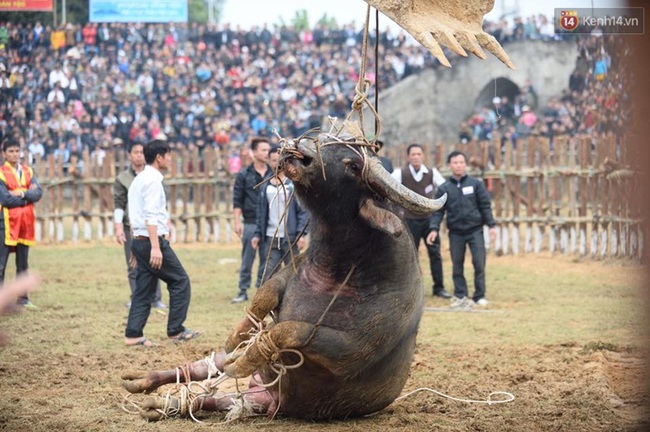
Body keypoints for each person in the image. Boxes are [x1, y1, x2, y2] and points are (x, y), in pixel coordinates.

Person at [125, 134, 199, 347]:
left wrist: (134, 247)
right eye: (168, 156)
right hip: (151, 241)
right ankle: (176, 331)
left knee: (144, 289)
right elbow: (149, 215)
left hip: (139, 240)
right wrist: (156, 247)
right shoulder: (153, 181)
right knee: (180, 280)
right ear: (159, 157)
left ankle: (133, 334)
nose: (170, 160)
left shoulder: (138, 179)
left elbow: (133, 215)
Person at [426, 151, 496, 308]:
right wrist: (434, 229)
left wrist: (491, 225)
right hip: (456, 233)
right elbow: (438, 211)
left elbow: (485, 206)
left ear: (465, 165)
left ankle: (479, 295)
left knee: (479, 263)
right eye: (455, 163)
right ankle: (460, 294)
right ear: (450, 165)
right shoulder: (445, 188)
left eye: (461, 162)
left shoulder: (475, 184)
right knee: (457, 264)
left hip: (475, 231)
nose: (458, 165)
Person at [391, 144, 450, 299]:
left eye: (419, 154)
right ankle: (410, 290)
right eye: (413, 154)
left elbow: (446, 189)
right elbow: (387, 189)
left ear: (423, 156)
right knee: (410, 256)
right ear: (408, 157)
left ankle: (439, 287)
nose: (416, 157)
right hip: (409, 221)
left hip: (429, 221)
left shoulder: (432, 173)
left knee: (435, 254)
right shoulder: (400, 173)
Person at [113, 139, 166, 310]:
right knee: (133, 264)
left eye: (142, 152)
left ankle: (156, 298)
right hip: (132, 227)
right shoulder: (123, 179)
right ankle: (137, 298)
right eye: (135, 152)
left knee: (156, 262)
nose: (139, 155)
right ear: (129, 155)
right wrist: (119, 227)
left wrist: (167, 222)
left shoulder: (153, 177)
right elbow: (118, 204)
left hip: (152, 227)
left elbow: (160, 204)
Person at [252, 146, 309, 282]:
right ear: (269, 162)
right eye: (273, 160)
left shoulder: (293, 185)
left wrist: (302, 234)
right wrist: (257, 234)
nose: (276, 163)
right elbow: (261, 213)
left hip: (290, 238)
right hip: (271, 237)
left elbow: (303, 212)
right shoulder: (265, 187)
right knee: (269, 274)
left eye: (279, 160)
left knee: (294, 274)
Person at [0, 139, 43, 309]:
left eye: (17, 151)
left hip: (25, 223)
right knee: (1, 264)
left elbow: (38, 193)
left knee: (23, 263)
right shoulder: (1, 173)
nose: (14, 154)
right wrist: (27, 197)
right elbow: (5, 199)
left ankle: (23, 299)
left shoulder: (28, 171)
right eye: (10, 151)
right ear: (4, 154)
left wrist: (22, 193)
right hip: (5, 223)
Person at [231, 137, 271, 303]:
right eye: (263, 150)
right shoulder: (244, 174)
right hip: (250, 221)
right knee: (247, 258)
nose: (267, 153)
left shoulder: (272, 173)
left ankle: (261, 291)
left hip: (268, 223)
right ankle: (242, 290)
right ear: (254, 152)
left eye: (268, 150)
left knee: (266, 259)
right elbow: (237, 200)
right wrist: (237, 222)